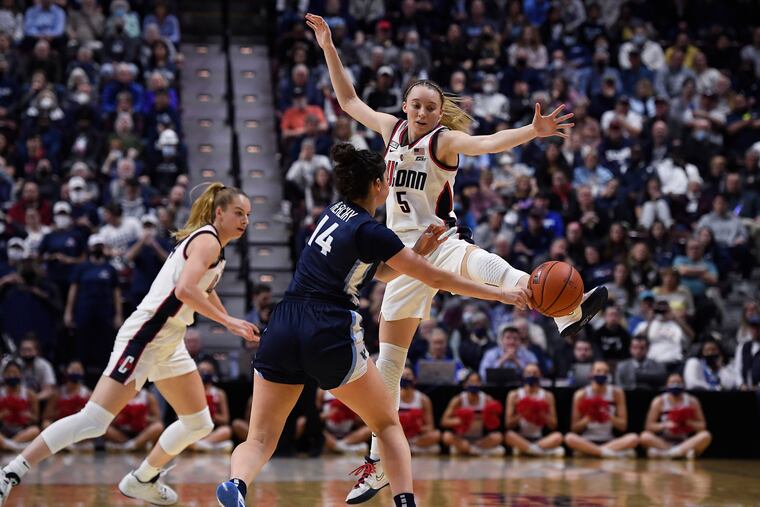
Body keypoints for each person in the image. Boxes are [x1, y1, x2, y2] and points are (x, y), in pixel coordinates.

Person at [305, 14, 608, 502]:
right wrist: (328, 45)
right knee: (389, 366)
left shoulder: (443, 142)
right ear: (405, 105)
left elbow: (487, 144)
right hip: (400, 256)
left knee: (476, 261)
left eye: (431, 107)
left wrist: (531, 132)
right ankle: (378, 464)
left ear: (439, 113)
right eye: (417, 105)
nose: (423, 112)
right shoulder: (388, 128)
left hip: (438, 239)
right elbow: (347, 100)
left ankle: (566, 312)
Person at [215, 144, 526, 507]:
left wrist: (418, 250)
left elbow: (374, 272)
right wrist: (500, 294)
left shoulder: (332, 213)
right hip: (327, 328)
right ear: (379, 185)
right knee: (387, 424)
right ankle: (405, 502)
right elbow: (438, 279)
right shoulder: (373, 231)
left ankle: (236, 484)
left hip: (284, 324)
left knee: (259, 439)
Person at [0, 183, 258, 505]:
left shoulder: (215, 246)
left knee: (198, 422)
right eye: (238, 213)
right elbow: (185, 290)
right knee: (93, 420)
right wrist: (229, 322)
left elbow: (203, 288)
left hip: (169, 341)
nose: (245, 220)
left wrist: (229, 320)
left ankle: (143, 479)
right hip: (146, 336)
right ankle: (10, 472)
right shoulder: (207, 241)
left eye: (248, 215)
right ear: (219, 213)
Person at [565, 361, 639, 458]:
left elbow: (623, 426)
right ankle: (608, 453)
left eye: (605, 372)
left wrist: (608, 416)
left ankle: (592, 452)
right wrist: (588, 418)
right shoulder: (581, 394)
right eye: (598, 371)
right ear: (591, 374)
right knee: (569, 438)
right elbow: (574, 428)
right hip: (587, 439)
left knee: (634, 438)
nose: (602, 374)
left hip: (609, 439)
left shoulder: (616, 393)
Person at [640, 374, 712, 459]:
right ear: (666, 385)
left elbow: (702, 425)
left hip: (685, 442)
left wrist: (689, 423)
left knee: (705, 435)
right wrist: (665, 425)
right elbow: (648, 426)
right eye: (672, 382)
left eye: (678, 382)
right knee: (644, 436)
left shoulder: (692, 401)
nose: (675, 385)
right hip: (663, 441)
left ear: (684, 385)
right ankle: (679, 453)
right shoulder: (659, 401)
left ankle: (667, 454)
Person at [504, 364, 564, 457]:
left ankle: (526, 450)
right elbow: (508, 424)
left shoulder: (547, 396)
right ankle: (542, 452)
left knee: (558, 436)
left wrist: (541, 413)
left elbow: (554, 425)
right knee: (509, 435)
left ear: (540, 375)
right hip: (521, 438)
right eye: (528, 373)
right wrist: (522, 413)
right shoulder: (514, 394)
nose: (531, 375)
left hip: (540, 439)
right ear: (523, 375)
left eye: (535, 373)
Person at [439, 371, 504, 457]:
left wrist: (487, 419)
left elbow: (495, 422)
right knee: (446, 436)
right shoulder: (458, 400)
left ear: (480, 384)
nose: (474, 384)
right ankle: (474, 450)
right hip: (461, 438)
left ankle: (470, 450)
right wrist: (461, 421)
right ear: (465, 384)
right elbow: (444, 421)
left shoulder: (487, 399)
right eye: (471, 382)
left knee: (498, 437)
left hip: (480, 439)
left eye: (476, 382)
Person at [190, 360, 233, 452]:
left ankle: (200, 445)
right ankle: (214, 446)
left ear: (213, 373)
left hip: (212, 431)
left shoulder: (219, 393)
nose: (205, 374)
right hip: (195, 430)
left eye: (208, 371)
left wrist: (213, 414)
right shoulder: (191, 392)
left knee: (226, 430)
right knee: (181, 434)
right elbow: (178, 418)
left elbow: (226, 419)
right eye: (202, 371)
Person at [105, 388, 164, 453]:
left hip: (142, 431)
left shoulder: (148, 396)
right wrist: (119, 419)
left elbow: (157, 418)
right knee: (104, 427)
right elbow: (109, 418)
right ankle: (134, 445)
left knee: (158, 426)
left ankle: (132, 445)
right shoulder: (118, 396)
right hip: (122, 432)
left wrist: (144, 418)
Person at [398, 367, 441, 455]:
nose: (406, 378)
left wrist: (418, 426)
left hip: (417, 436)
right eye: (403, 376)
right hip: (399, 433)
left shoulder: (423, 399)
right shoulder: (393, 398)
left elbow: (430, 427)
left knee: (437, 435)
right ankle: (409, 447)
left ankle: (409, 445)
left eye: (408, 375)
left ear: (414, 380)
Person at [0, 361, 40, 453]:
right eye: (9, 373)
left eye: (15, 373)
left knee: (35, 430)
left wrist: (28, 415)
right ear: (4, 375)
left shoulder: (30, 394)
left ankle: (8, 445)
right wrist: (2, 415)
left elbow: (36, 418)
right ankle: (17, 447)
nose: (11, 376)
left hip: (22, 431)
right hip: (4, 431)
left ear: (20, 375)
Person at [318, 388, 372, 455]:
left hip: (350, 434)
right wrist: (327, 415)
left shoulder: (354, 389)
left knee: (370, 428)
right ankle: (348, 449)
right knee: (313, 427)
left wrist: (352, 415)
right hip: (328, 432)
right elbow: (313, 415)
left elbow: (364, 418)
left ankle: (338, 447)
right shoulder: (322, 390)